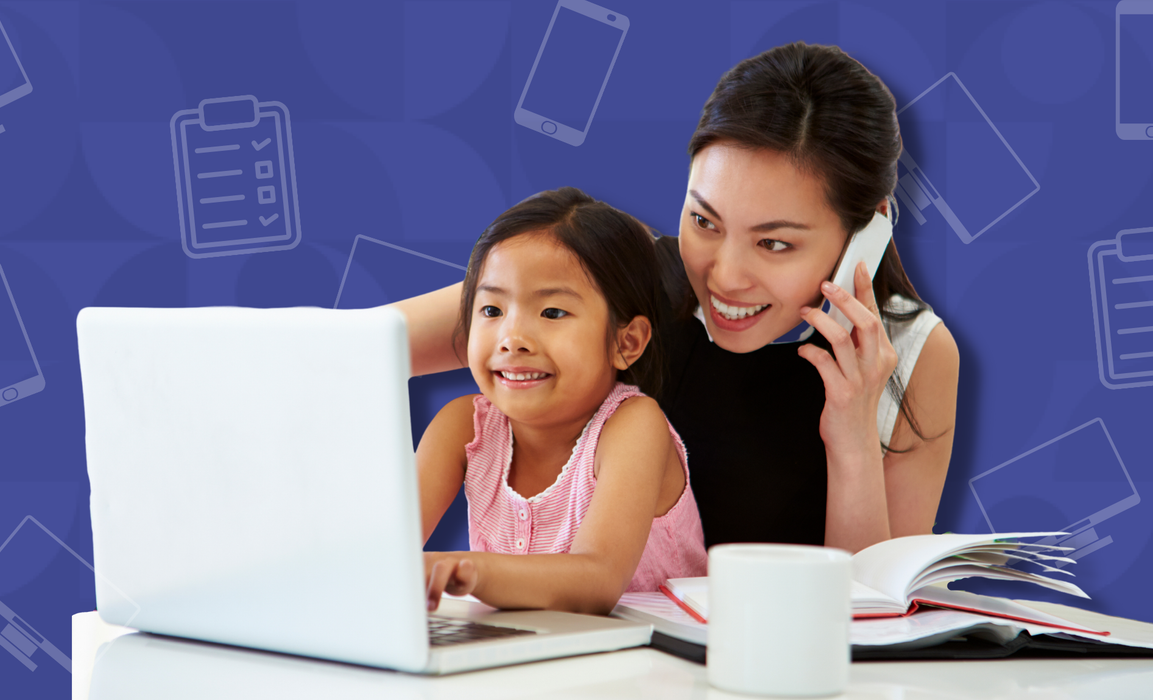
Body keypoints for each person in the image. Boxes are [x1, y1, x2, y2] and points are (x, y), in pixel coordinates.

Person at [396, 43, 959, 556]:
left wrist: (854, 437)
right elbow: (349, 349)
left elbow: (876, 614)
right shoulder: (616, 277)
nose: (725, 276)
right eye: (704, 221)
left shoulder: (915, 354)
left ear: (869, 232)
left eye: (774, 243)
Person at [416, 187, 707, 615]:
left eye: (552, 313)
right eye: (492, 310)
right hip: (529, 655)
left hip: (657, 661)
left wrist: (471, 570)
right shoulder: (462, 426)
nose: (512, 340)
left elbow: (596, 582)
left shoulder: (633, 425)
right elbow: (380, 548)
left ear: (626, 341)